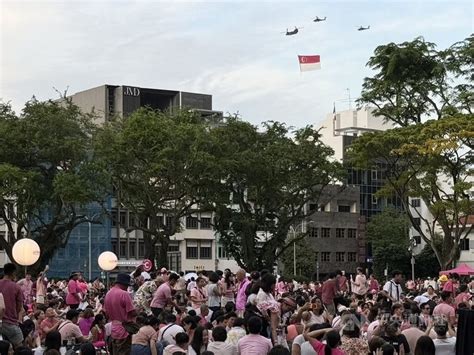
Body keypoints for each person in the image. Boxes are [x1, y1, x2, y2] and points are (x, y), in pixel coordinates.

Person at [104, 273, 137, 355]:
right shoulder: (124, 294)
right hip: (124, 330)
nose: (127, 288)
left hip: (113, 329)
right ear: (123, 284)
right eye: (127, 286)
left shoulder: (108, 294)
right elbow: (132, 312)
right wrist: (138, 310)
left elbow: (106, 313)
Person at [0, 263, 24, 348]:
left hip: (0, 322)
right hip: (11, 323)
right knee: (20, 348)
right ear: (13, 273)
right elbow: (19, 307)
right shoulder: (16, 287)